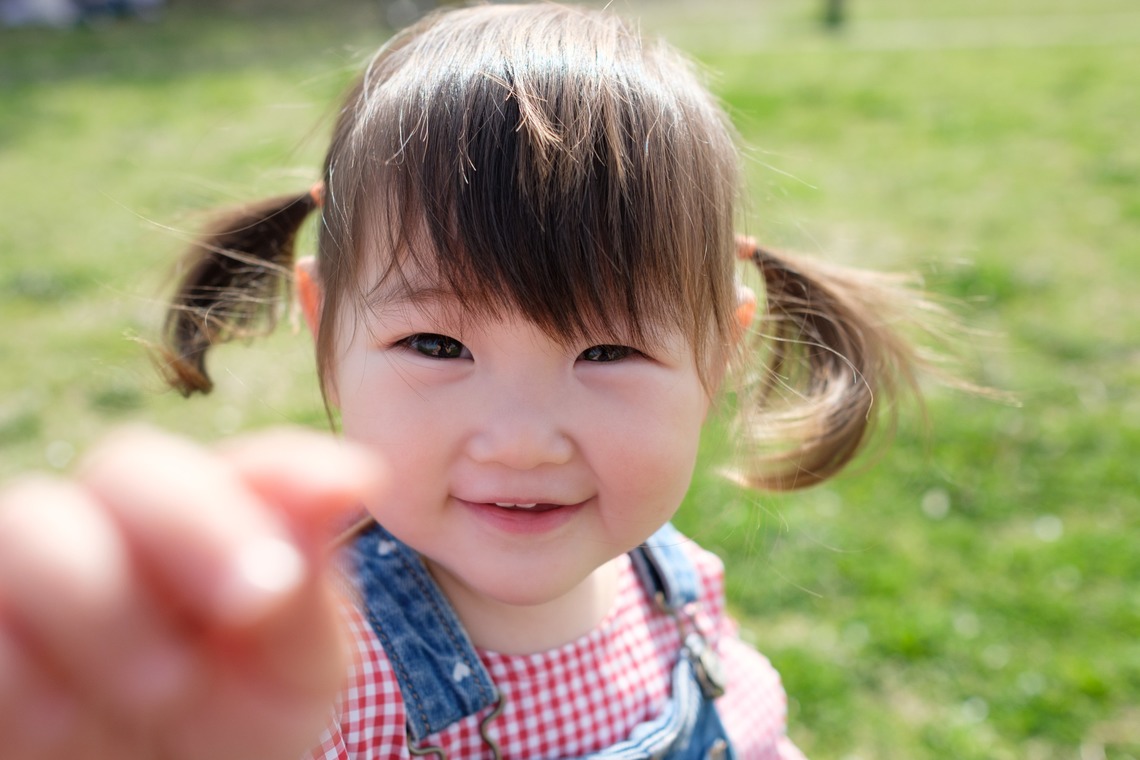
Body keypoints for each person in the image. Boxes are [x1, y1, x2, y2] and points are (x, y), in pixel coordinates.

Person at [0, 4, 945, 758]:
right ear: (327, 326)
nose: (523, 437)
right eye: (438, 348)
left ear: (722, 354)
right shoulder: (309, 672)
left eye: (608, 353)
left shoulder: (678, 581)